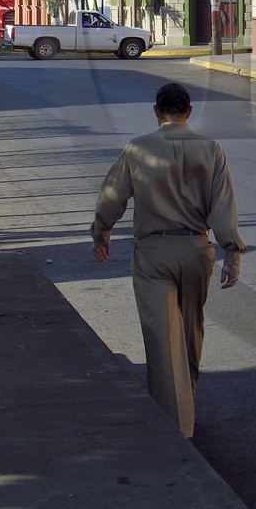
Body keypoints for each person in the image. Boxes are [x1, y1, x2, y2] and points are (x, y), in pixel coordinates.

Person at [91, 82, 244, 437]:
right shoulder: (211, 149)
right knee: (190, 333)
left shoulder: (138, 149)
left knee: (163, 340)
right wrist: (232, 253)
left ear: (157, 112)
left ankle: (177, 428)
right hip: (196, 249)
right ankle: (185, 402)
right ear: (188, 111)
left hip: (154, 254)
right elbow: (224, 205)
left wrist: (101, 233)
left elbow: (112, 197)